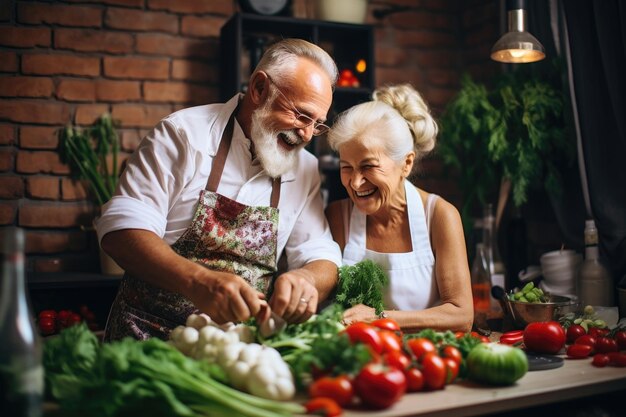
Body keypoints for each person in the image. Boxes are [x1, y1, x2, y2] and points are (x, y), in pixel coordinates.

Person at [96, 39, 342, 340]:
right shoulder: (183, 135)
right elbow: (121, 231)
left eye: (317, 124)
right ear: (259, 89)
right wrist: (198, 281)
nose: (306, 135)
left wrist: (306, 278)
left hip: (236, 349)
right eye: (302, 115)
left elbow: (320, 254)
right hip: (147, 339)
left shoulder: (305, 168)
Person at [324, 84, 473, 332]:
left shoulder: (439, 216)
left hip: (424, 360)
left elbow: (462, 316)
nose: (356, 182)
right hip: (358, 358)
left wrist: (379, 317)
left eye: (369, 166)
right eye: (346, 167)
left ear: (406, 164)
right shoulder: (338, 217)